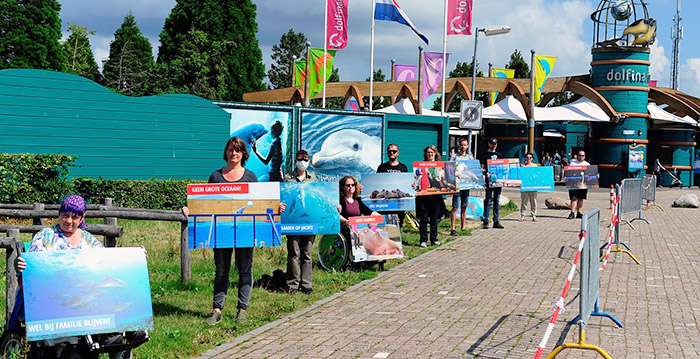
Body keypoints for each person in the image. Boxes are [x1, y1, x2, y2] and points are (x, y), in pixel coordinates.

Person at [17, 195, 147, 359]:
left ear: (82, 218)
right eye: (65, 215)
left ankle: (122, 330)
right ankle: (111, 333)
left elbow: (108, 262)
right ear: (59, 214)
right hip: (58, 298)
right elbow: (32, 269)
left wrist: (136, 257)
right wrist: (23, 266)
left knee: (110, 286)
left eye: (74, 217)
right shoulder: (45, 236)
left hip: (85, 296)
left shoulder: (88, 239)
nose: (69, 221)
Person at [182, 136, 285, 326]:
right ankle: (217, 310)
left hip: (245, 232)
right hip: (221, 232)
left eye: (237, 150)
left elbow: (262, 205)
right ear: (226, 152)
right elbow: (205, 204)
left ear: (243, 153)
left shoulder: (251, 177)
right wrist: (191, 211)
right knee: (221, 271)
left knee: (245, 270)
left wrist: (277, 209)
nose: (234, 153)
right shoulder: (215, 177)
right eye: (230, 149)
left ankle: (242, 310)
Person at [283, 150, 316, 295]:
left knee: (307, 253)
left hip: (309, 220)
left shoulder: (313, 178)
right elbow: (284, 196)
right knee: (293, 253)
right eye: (300, 159)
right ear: (295, 161)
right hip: (293, 220)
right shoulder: (288, 177)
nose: (303, 161)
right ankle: (292, 284)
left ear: (309, 161)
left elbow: (316, 197)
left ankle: (307, 284)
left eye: (305, 159)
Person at [338, 175, 380, 246]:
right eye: (348, 185)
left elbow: (369, 212)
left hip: (357, 230)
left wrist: (381, 218)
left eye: (353, 185)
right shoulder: (340, 201)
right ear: (343, 187)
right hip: (346, 230)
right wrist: (346, 221)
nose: (351, 187)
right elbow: (336, 215)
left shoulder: (358, 201)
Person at [415, 145, 444, 247]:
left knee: (434, 218)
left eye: (432, 152)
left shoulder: (440, 165)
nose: (430, 154)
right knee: (424, 218)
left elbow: (444, 178)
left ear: (435, 153)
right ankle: (423, 240)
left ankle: (434, 239)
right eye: (428, 152)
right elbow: (417, 178)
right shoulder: (421, 165)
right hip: (424, 195)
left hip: (436, 195)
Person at [376, 143, 408, 228]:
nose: (392, 153)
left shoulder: (403, 167)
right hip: (385, 203)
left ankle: (396, 241)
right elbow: (377, 182)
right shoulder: (381, 167)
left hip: (398, 203)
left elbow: (406, 182)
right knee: (384, 225)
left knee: (398, 224)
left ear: (398, 153)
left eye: (394, 151)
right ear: (387, 153)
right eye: (390, 151)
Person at [449, 137, 473, 236]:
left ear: (467, 146)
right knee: (455, 207)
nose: (463, 147)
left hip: (466, 185)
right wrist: (454, 174)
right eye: (461, 145)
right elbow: (449, 168)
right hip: (457, 185)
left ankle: (463, 227)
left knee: (464, 206)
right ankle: (453, 228)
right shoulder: (454, 157)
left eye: (465, 145)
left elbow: (472, 170)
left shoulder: (470, 158)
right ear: (459, 145)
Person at [479, 138, 504, 229]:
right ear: (488, 144)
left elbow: (502, 168)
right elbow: (481, 168)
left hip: (498, 181)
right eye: (492, 143)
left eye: (495, 144)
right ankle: (486, 220)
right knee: (488, 201)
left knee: (496, 201)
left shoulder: (499, 155)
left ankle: (496, 220)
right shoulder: (484, 155)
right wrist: (485, 172)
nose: (494, 145)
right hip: (489, 181)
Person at [567, 150, 591, 219]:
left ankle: (579, 213)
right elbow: (568, 172)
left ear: (585, 156)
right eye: (579, 155)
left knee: (581, 198)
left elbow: (589, 174)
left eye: (582, 155)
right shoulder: (572, 163)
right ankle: (572, 213)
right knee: (574, 198)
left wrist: (596, 176)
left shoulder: (587, 164)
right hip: (573, 183)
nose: (581, 157)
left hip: (583, 184)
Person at [519, 152, 539, 222]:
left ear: (532, 159)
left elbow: (537, 175)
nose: (528, 159)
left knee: (534, 200)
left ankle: (534, 215)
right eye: (527, 157)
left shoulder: (535, 166)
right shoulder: (522, 166)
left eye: (530, 157)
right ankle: (522, 215)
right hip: (525, 185)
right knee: (524, 200)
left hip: (533, 185)